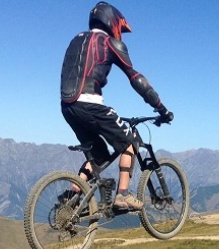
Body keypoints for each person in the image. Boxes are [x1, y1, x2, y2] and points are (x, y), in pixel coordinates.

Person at [60, 2, 173, 210]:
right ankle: (123, 195)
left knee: (99, 157)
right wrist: (161, 108)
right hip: (90, 105)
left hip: (67, 107)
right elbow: (136, 79)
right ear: (113, 22)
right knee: (129, 143)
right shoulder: (110, 43)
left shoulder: (75, 41)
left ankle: (72, 194)